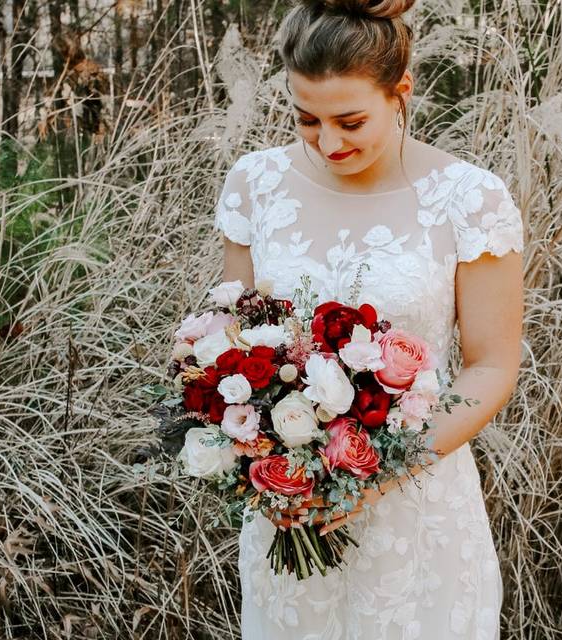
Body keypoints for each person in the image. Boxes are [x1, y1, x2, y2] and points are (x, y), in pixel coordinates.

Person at [212, 1, 525, 637]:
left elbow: (493, 365)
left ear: (400, 92)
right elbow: (233, 337)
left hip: (416, 500)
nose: (329, 142)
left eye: (350, 120)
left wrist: (385, 470)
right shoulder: (256, 183)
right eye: (307, 119)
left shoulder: (468, 199)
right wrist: (265, 447)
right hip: (289, 502)